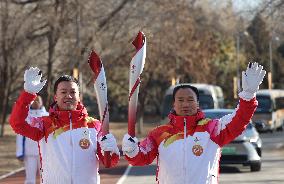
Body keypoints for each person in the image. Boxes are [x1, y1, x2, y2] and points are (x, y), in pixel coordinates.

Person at [122, 62, 266, 184]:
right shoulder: (160, 134)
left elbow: (239, 119)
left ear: (197, 104)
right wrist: (132, 151)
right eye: (180, 100)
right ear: (174, 104)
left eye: (190, 100)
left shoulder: (212, 129)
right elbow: (141, 158)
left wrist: (248, 96)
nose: (185, 104)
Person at [10, 67, 119, 184]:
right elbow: (17, 123)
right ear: (55, 97)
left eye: (73, 92)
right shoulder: (45, 124)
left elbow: (109, 162)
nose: (68, 96)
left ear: (79, 97)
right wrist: (28, 95)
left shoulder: (94, 125)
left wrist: (111, 150)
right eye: (63, 92)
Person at [16, 95, 48, 184]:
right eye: (34, 101)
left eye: (38, 101)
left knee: (46, 178)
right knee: (30, 179)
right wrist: (20, 152)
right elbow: (20, 135)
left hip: (44, 153)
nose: (36, 102)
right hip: (29, 152)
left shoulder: (48, 117)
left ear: (42, 102)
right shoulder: (26, 117)